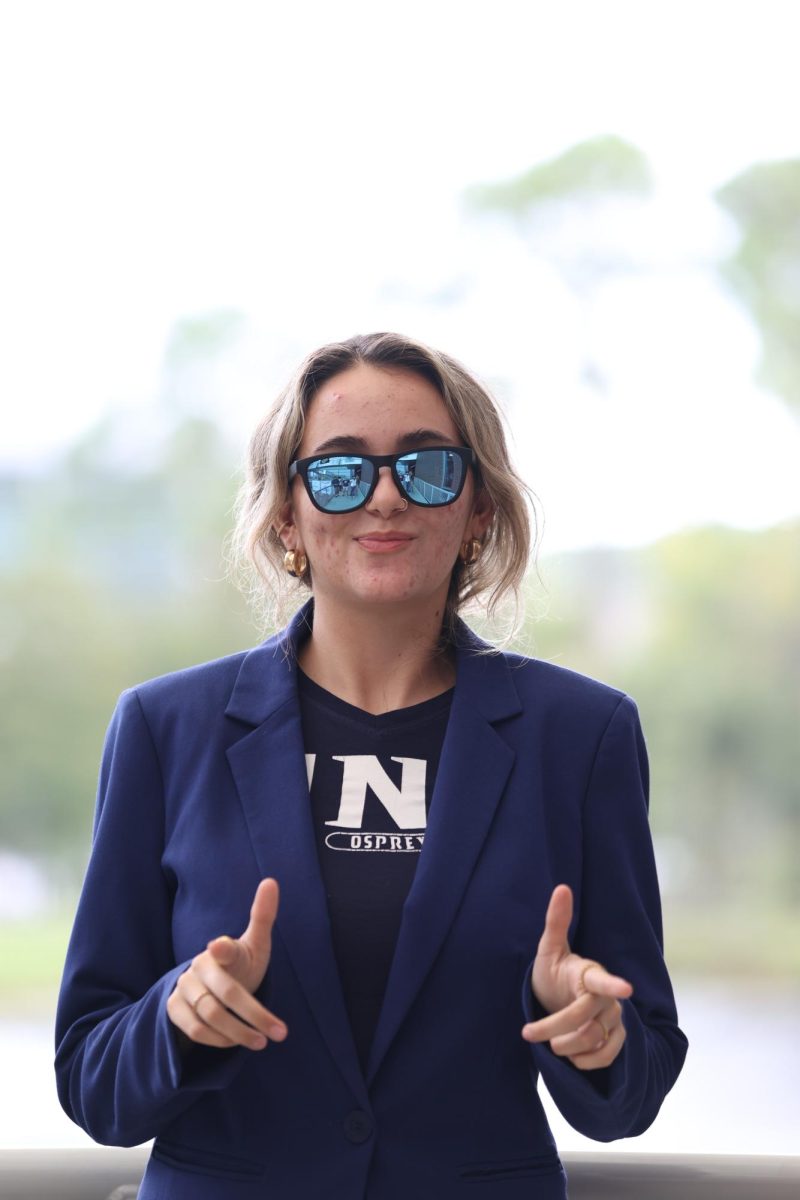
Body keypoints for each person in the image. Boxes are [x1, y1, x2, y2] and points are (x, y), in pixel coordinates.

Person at [55, 332, 687, 1199]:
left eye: (426, 466)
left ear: (479, 511)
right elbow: (90, 1077)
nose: (385, 496)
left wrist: (591, 1030)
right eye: (341, 471)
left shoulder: (581, 736)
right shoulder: (167, 730)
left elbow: (638, 1085)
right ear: (287, 516)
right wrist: (179, 1014)